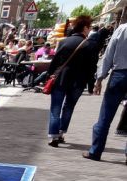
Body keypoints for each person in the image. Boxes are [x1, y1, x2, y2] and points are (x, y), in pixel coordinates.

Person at [46, 15, 99, 147]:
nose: (90, 30)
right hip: (78, 82)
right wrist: (91, 85)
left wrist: (49, 75)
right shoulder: (90, 45)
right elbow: (92, 68)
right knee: (69, 107)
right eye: (89, 27)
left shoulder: (64, 42)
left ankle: (53, 137)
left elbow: (55, 62)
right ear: (85, 28)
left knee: (55, 108)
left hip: (61, 79)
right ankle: (61, 132)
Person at [83, 22, 127, 164]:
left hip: (119, 75)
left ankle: (95, 151)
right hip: (119, 74)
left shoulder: (123, 29)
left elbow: (109, 53)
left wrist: (100, 78)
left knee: (105, 116)